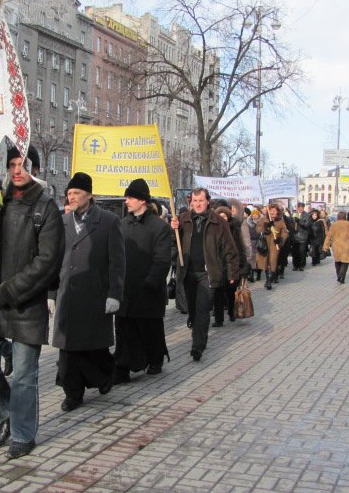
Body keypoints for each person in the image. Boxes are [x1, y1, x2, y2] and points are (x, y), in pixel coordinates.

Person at [0, 144, 64, 460]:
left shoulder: (46, 207)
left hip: (25, 302)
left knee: (23, 374)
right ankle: (7, 413)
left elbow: (48, 261)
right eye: (12, 165)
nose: (17, 170)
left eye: (23, 165)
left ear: (34, 169)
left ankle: (22, 433)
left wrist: (12, 289)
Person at [52, 172, 125, 411]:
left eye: (77, 193)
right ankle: (72, 393)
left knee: (93, 347)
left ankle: (104, 374)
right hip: (67, 294)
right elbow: (52, 261)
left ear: (89, 195)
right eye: (69, 193)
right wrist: (50, 295)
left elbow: (117, 262)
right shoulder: (62, 222)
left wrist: (115, 294)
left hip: (95, 294)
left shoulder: (108, 221)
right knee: (68, 350)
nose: (72, 197)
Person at [113, 179, 172, 383]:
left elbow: (162, 260)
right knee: (123, 330)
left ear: (142, 200)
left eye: (130, 197)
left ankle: (155, 360)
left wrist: (150, 282)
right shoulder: (122, 225)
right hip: (125, 290)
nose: (126, 201)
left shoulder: (159, 227)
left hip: (148, 291)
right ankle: (122, 367)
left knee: (149, 330)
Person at [171, 188, 239, 361]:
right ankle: (195, 326)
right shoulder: (183, 219)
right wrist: (173, 230)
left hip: (208, 273)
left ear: (208, 201)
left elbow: (230, 249)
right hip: (188, 272)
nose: (198, 204)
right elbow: (173, 243)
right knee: (192, 308)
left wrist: (232, 272)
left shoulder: (218, 222)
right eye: (194, 201)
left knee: (203, 309)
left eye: (201, 200)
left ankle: (198, 346)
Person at [212, 206, 247, 326]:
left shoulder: (234, 229)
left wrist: (243, 265)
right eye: (220, 216)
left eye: (224, 216)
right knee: (217, 293)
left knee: (230, 291)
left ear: (228, 217)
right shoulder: (213, 229)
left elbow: (240, 248)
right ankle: (218, 319)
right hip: (217, 265)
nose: (222, 219)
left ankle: (232, 312)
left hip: (231, 265)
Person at [255, 203, 289, 290]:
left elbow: (285, 232)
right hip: (265, 244)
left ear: (277, 212)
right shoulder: (263, 219)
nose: (272, 212)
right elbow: (258, 229)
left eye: (274, 210)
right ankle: (268, 279)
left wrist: (281, 239)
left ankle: (270, 280)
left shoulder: (280, 221)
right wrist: (265, 229)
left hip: (274, 245)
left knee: (272, 262)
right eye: (271, 210)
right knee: (266, 262)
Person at [322, 211, 349, 284]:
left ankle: (339, 275)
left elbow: (329, 236)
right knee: (345, 262)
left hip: (336, 246)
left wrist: (326, 246)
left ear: (338, 217)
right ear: (345, 217)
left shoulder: (334, 225)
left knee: (337, 261)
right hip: (347, 246)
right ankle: (342, 276)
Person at [291, 202, 310, 271]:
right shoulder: (294, 214)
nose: (301, 209)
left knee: (302, 252)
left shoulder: (306, 215)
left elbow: (307, 225)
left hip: (303, 237)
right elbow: (291, 223)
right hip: (295, 236)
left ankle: (302, 265)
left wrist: (299, 221)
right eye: (299, 207)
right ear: (297, 208)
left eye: (302, 207)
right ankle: (295, 265)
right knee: (295, 252)